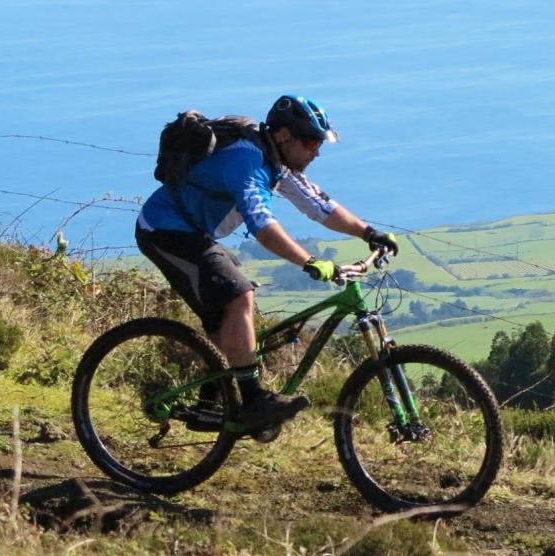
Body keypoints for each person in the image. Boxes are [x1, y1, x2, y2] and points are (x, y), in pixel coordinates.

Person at [133, 94, 401, 436]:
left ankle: (209, 403)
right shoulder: (247, 162)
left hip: (194, 233)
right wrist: (311, 262)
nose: (315, 152)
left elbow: (320, 207)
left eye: (319, 143)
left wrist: (370, 233)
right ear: (285, 136)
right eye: (310, 141)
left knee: (233, 320)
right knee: (239, 296)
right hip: (164, 230)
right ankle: (254, 401)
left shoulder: (276, 162)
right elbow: (263, 227)